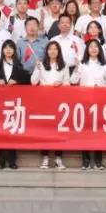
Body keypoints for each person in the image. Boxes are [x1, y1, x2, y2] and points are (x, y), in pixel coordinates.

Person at [71, 38, 106, 170]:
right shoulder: (82, 64)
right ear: (87, 50)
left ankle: (98, 160)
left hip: (100, 102)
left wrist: (102, 89)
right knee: (85, 131)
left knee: (98, 131)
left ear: (99, 49)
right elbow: (73, 81)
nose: (93, 49)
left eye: (96, 46)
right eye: (91, 47)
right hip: (85, 102)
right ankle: (86, 160)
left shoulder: (104, 65)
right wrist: (77, 68)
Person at [0, 40, 31, 169]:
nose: (8, 50)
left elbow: (27, 82)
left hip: (14, 104)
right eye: (6, 48)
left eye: (11, 48)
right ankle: (1, 160)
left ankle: (12, 160)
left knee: (13, 131)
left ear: (14, 50)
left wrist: (17, 81)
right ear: (2, 50)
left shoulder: (19, 66)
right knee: (1, 132)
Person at [33, 40, 71, 169]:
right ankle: (45, 158)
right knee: (44, 130)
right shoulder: (41, 64)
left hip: (59, 102)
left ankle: (58, 158)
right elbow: (33, 82)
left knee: (58, 130)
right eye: (50, 49)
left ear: (58, 51)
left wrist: (61, 84)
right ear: (47, 51)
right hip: (44, 102)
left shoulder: (64, 65)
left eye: (55, 49)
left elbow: (68, 83)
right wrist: (37, 69)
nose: (52, 51)